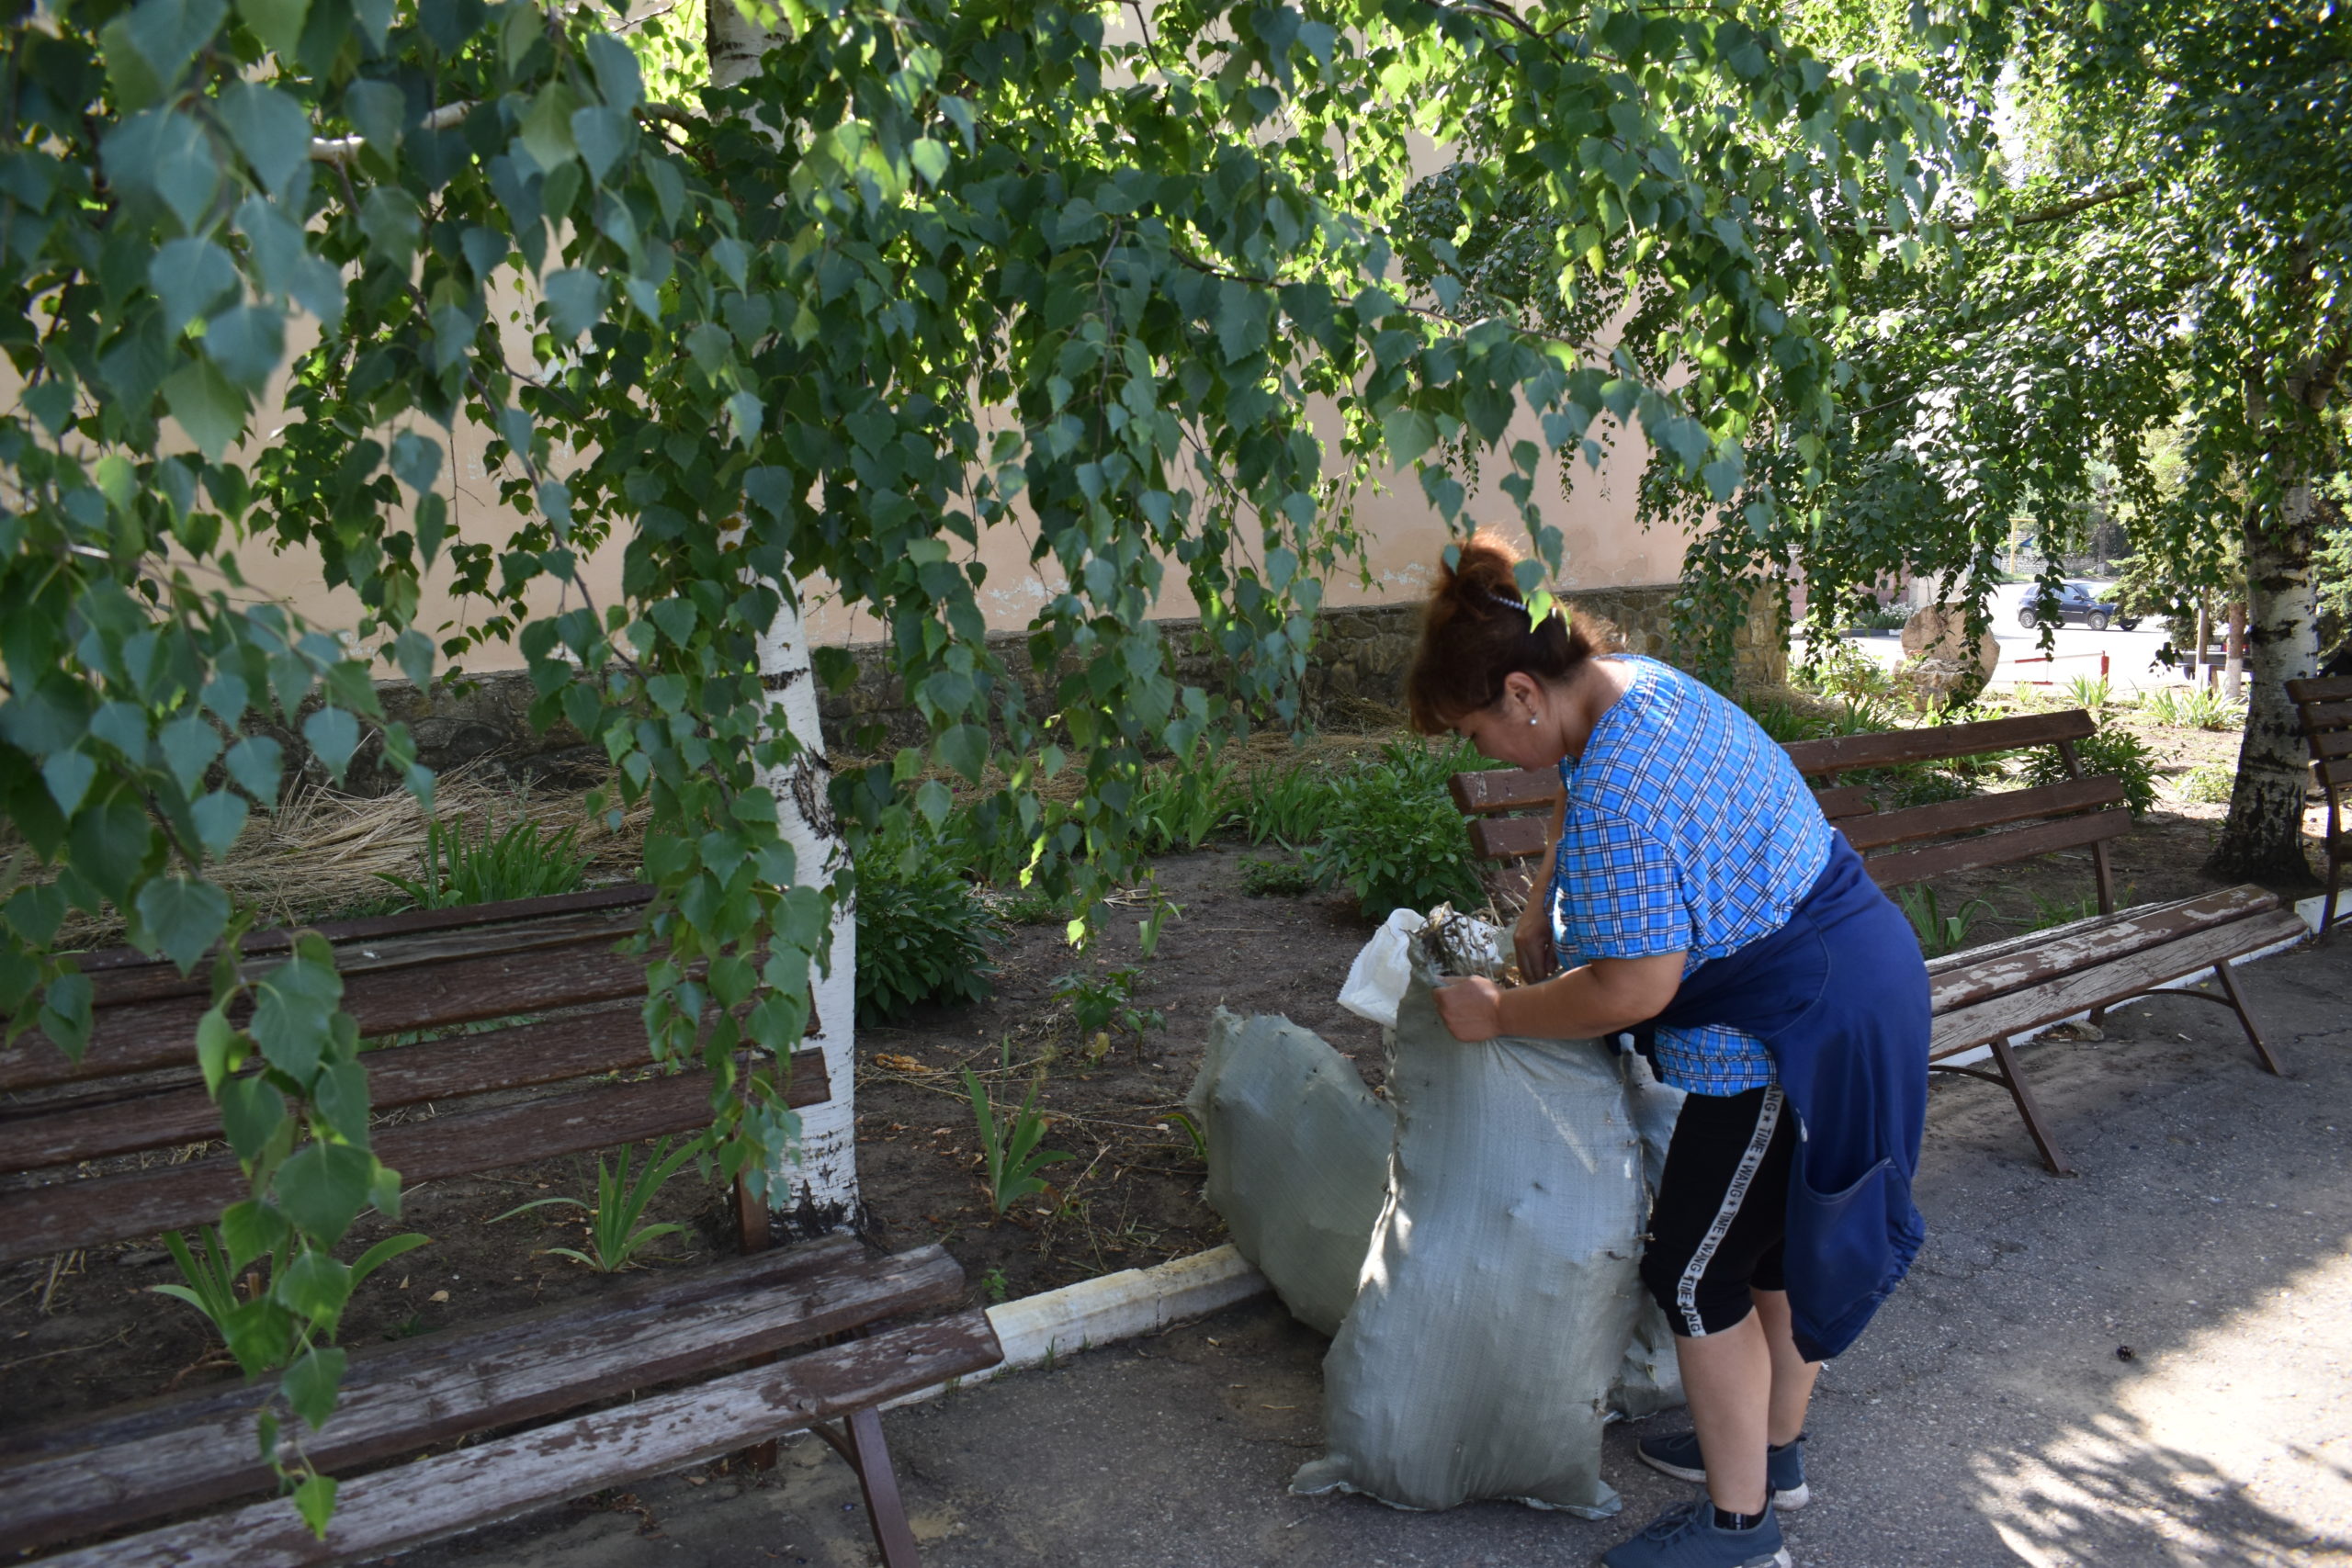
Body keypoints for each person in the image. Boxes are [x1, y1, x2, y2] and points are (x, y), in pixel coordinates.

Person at [1407, 532, 1931, 1568]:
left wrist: (1499, 1013)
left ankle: (1741, 1532)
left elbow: (1630, 989)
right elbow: (1586, 787)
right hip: (1848, 971)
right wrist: (1545, 893)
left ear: (1520, 694)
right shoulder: (1631, 685)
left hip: (1795, 1026)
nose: (1483, 754)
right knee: (1774, 1244)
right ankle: (1770, 1452)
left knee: (1693, 1271)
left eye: (1476, 732)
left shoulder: (1621, 795)